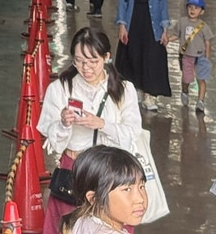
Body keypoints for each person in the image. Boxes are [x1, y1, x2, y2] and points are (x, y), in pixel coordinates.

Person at [37, 27, 143, 234]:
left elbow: (131, 133)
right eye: (79, 61)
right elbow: (52, 141)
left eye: (93, 61)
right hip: (74, 170)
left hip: (112, 173)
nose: (86, 68)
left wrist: (102, 124)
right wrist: (63, 124)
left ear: (106, 57)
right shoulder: (60, 89)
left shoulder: (123, 90)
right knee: (69, 226)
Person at [115, 0, 172, 111]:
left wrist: (165, 29)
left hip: (152, 27)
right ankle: (136, 91)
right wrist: (122, 26)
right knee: (133, 57)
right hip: (133, 25)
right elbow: (122, 4)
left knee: (152, 59)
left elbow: (163, 7)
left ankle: (150, 95)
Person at [62, 145, 149, 233]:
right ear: (94, 198)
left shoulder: (83, 221)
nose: (140, 199)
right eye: (127, 189)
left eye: (141, 187)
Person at [176, 0, 213, 114]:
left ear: (202, 12)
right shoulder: (182, 22)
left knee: (201, 79)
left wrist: (207, 58)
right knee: (186, 79)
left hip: (201, 56)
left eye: (196, 8)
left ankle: (200, 102)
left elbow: (207, 43)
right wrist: (166, 39)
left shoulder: (203, 26)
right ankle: (184, 91)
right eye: (190, 7)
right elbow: (176, 35)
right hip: (186, 56)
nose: (192, 10)